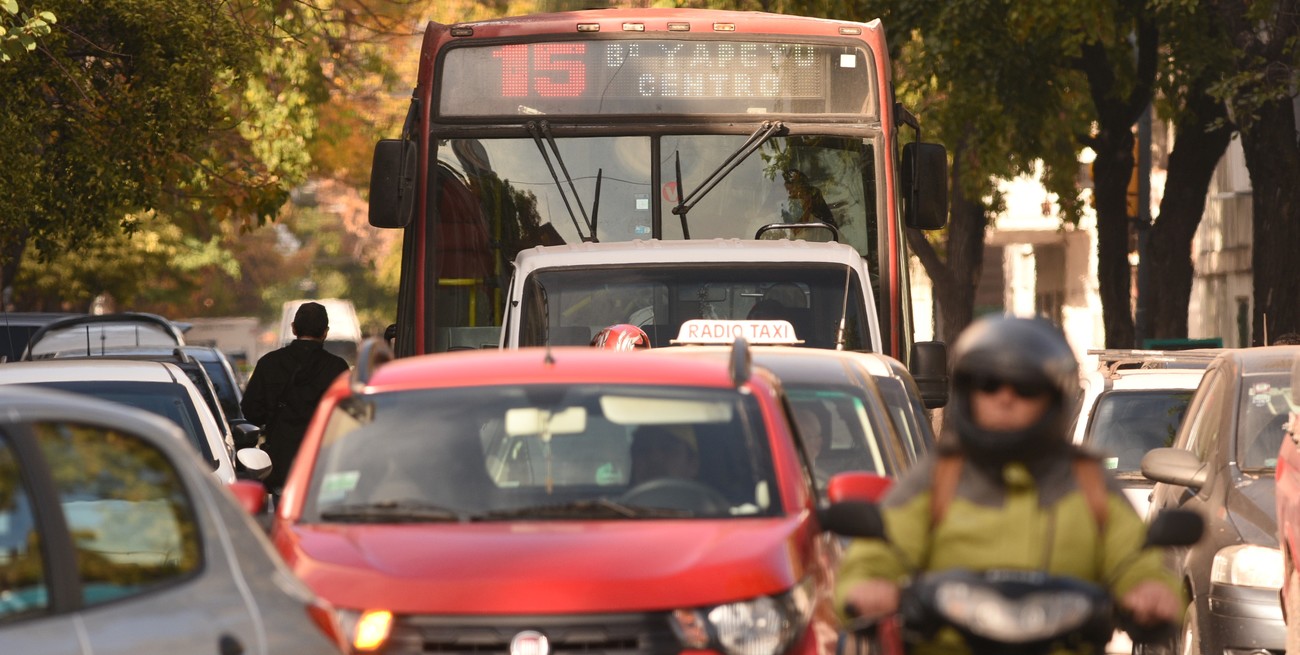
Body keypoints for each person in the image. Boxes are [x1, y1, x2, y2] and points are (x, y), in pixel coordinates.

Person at [835, 315, 1181, 652]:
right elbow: (879, 552)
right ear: (968, 394)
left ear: (1054, 397)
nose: (1005, 398)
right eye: (989, 384)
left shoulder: (1089, 482)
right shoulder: (938, 478)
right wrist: (867, 585)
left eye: (1025, 387)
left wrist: (1150, 590)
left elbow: (1135, 559)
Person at [242, 301, 351, 495]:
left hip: (279, 466)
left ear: (293, 328)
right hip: (323, 464)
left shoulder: (269, 364)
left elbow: (251, 411)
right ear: (325, 332)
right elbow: (349, 415)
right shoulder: (338, 368)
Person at [628, 425, 699, 487]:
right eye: (643, 448)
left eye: (668, 448)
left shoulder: (705, 499)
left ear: (693, 464)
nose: (654, 457)